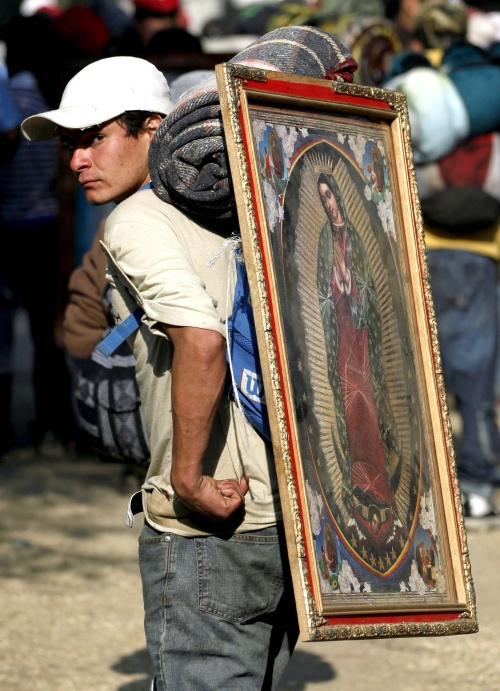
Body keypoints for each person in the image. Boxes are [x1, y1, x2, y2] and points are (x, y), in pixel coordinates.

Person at [21, 54, 299, 689]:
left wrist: (187, 480)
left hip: (210, 526)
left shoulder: (137, 220)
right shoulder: (238, 211)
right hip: (285, 517)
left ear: (154, 127)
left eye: (94, 137)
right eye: (71, 144)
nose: (76, 161)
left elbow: (201, 341)